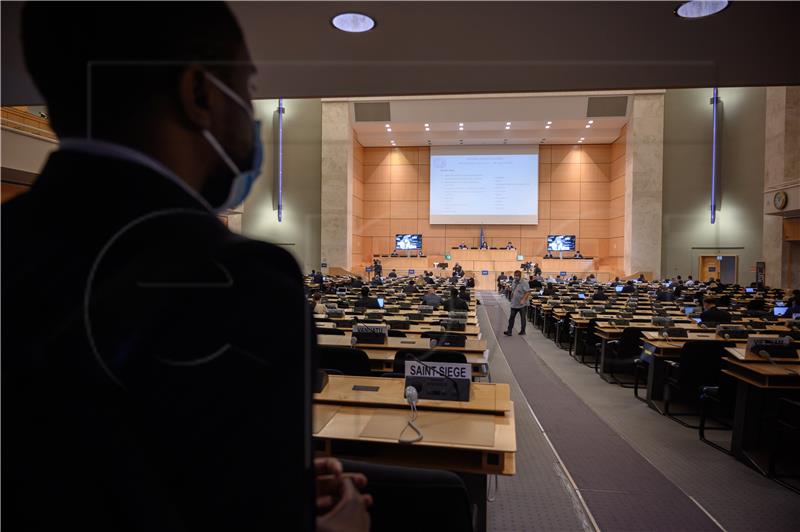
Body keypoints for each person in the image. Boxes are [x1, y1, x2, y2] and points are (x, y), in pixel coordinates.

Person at [4, 3, 372, 531]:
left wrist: (265, 477)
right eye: (246, 88)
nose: (248, 110)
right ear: (199, 94)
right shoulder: (246, 282)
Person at [504, 270, 530, 336]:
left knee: (523, 318)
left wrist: (523, 300)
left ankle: (523, 331)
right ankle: (509, 331)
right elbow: (513, 290)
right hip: (514, 303)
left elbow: (527, 292)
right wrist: (511, 293)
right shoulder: (514, 282)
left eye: (517, 276)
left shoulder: (524, 282)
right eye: (515, 276)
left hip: (522, 304)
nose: (516, 277)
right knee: (511, 317)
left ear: (520, 276)